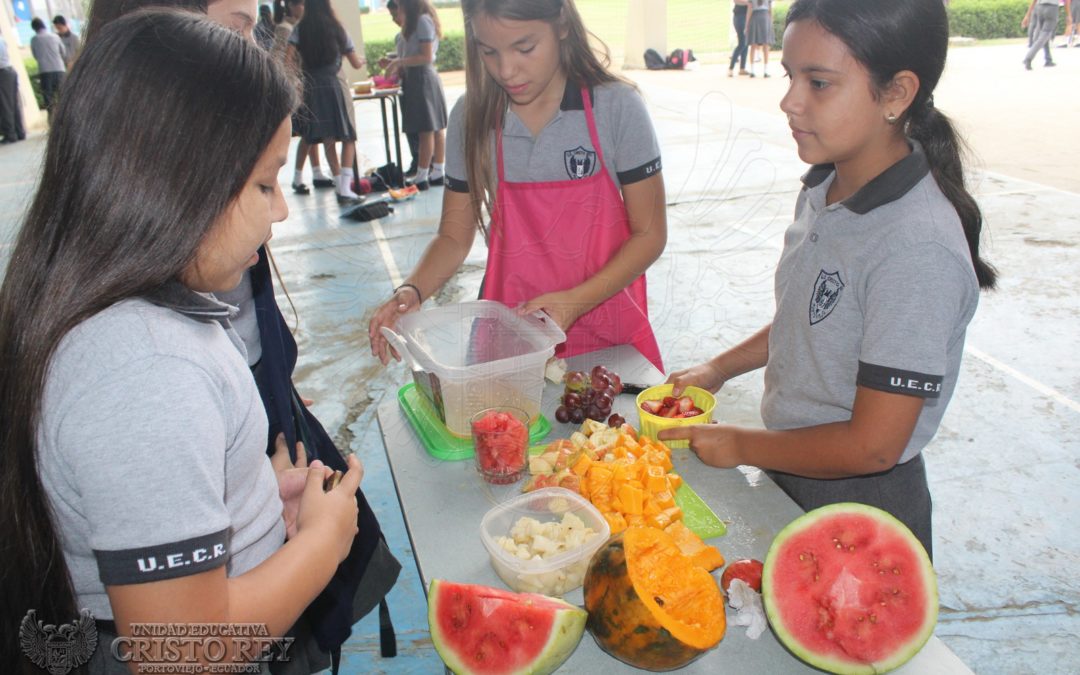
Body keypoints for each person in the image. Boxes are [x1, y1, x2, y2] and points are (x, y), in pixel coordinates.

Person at [0, 10, 364, 671]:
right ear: (178, 182)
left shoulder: (138, 324)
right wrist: (322, 542)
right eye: (264, 182)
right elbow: (182, 651)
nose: (282, 209)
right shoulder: (142, 371)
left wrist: (248, 502)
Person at [658, 0, 998, 560]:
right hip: (791, 466)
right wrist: (721, 367)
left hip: (862, 505)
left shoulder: (916, 249)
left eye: (819, 83)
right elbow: (812, 318)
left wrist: (742, 443)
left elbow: (872, 447)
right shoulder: (826, 187)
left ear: (896, 94)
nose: (790, 101)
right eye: (791, 75)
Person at [368, 0, 667, 371]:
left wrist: (573, 303)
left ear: (561, 24)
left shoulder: (616, 107)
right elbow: (453, 237)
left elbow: (650, 234)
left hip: (610, 334)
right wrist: (411, 291)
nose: (506, 70)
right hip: (509, 340)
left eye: (524, 48)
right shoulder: (472, 118)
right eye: (488, 51)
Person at [287, 0, 367, 204]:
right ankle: (344, 187)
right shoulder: (337, 28)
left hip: (311, 86)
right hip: (334, 85)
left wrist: (299, 78)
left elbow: (287, 60)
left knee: (324, 136)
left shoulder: (300, 29)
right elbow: (356, 64)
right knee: (348, 135)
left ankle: (336, 181)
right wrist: (362, 60)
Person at [273, 0, 337, 194]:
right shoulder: (287, 28)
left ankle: (316, 173)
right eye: (301, 5)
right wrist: (294, 82)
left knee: (313, 132)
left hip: (304, 85)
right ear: (292, 6)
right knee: (309, 133)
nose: (304, 9)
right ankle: (298, 177)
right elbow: (280, 58)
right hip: (298, 87)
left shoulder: (300, 27)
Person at [382, 0, 447, 189]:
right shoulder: (415, 22)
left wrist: (398, 62)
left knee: (428, 129)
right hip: (416, 78)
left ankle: (424, 174)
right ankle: (434, 172)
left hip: (423, 78)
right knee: (432, 129)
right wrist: (396, 61)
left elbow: (426, 56)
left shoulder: (422, 21)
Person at [381, 0, 420, 177]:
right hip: (406, 84)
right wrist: (392, 63)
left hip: (418, 83)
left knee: (424, 128)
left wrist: (396, 62)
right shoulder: (400, 36)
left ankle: (425, 164)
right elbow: (403, 59)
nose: (395, 19)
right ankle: (417, 159)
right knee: (410, 126)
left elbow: (423, 57)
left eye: (396, 14)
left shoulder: (420, 27)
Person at [30, 17, 66, 113]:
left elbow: (35, 55)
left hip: (45, 71)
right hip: (59, 69)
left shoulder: (34, 39)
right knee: (63, 95)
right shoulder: (55, 37)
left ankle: (53, 120)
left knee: (49, 98)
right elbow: (63, 52)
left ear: (34, 28)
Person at [1022, 0, 1072, 69]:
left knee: (1042, 34)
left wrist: (1027, 15)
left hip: (1040, 7)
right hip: (1052, 8)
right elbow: (1067, 1)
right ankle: (1028, 57)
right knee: (1045, 34)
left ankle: (1048, 59)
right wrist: (1068, 15)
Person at [0, 34, 26, 144]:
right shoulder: (2, 39)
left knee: (5, 105)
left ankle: (10, 135)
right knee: (14, 104)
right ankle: (20, 132)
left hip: (3, 73)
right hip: (9, 71)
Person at [745, 0, 773, 78]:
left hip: (754, 17)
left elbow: (750, 9)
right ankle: (766, 71)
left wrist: (746, 25)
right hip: (765, 17)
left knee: (753, 45)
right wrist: (771, 22)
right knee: (765, 45)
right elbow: (770, 9)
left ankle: (752, 70)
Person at [728, 0, 750, 78]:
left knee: (746, 43)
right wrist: (747, 2)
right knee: (742, 43)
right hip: (739, 17)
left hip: (746, 16)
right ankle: (731, 68)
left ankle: (742, 68)